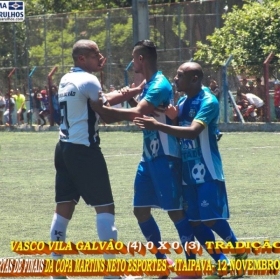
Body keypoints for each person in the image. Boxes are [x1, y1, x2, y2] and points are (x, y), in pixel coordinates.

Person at [90, 40, 198, 274]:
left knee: (175, 211)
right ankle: (162, 262)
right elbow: (141, 110)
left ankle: (192, 266)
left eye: (133, 57)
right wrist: (130, 100)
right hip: (149, 158)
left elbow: (139, 113)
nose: (131, 62)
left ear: (141, 59)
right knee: (140, 210)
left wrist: (106, 112)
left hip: (166, 156)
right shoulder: (149, 84)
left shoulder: (159, 84)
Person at [133, 62, 248, 278]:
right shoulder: (183, 101)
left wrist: (157, 125)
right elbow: (176, 126)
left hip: (208, 171)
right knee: (195, 223)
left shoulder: (208, 101)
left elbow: (193, 131)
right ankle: (222, 262)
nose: (175, 79)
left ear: (194, 79)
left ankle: (239, 250)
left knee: (210, 219)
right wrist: (169, 116)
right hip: (186, 174)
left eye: (179, 76)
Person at [50, 39, 119, 278]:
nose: (100, 58)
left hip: (64, 148)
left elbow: (96, 101)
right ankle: (111, 272)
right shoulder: (90, 79)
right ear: (82, 58)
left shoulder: (66, 79)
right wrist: (139, 111)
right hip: (84, 150)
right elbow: (106, 114)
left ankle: (56, 268)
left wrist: (127, 92)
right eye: (95, 54)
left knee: (63, 209)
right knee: (105, 208)